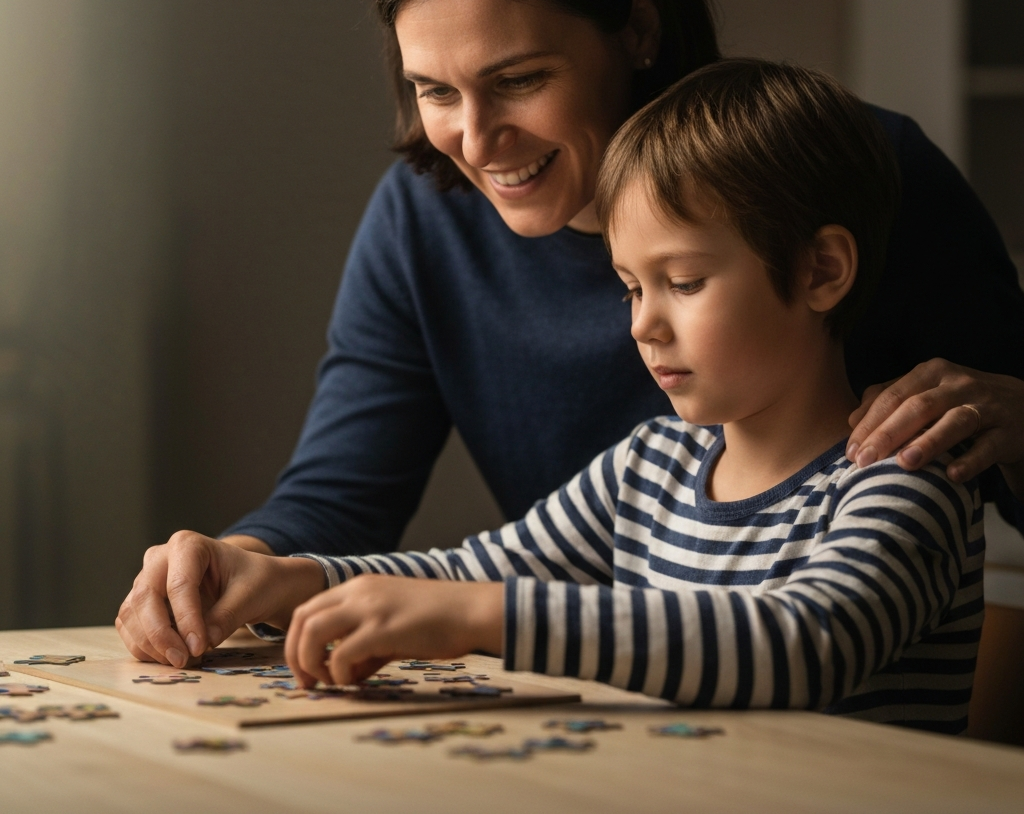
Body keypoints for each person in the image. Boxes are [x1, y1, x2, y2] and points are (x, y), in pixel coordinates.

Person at [116, 0, 1024, 671]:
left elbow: (808, 635)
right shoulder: (433, 226)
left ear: (636, 27)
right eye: (434, 90)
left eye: (518, 79)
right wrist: (243, 565)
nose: (475, 140)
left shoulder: (858, 174)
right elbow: (357, 501)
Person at [158, 60, 985, 733]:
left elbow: (806, 643)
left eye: (685, 282)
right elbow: (464, 570)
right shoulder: (650, 464)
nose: (645, 327)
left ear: (821, 271)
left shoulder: (904, 478)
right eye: (630, 288)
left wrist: (485, 618)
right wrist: (286, 578)